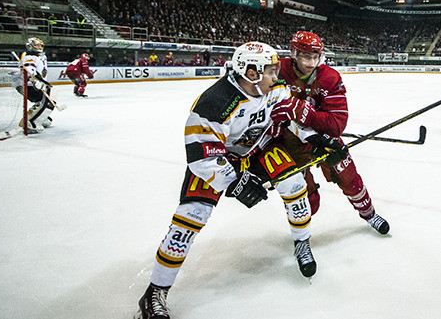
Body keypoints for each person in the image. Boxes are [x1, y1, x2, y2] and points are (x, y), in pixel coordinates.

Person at [136, 42, 348, 319]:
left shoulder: (274, 87)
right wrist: (234, 182)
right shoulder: (214, 104)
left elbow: (285, 117)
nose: (278, 75)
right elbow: (201, 156)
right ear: (250, 73)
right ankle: (155, 292)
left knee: (295, 186)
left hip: (258, 149)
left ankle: (301, 242)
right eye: (271, 70)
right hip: (218, 159)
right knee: (190, 217)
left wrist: (315, 139)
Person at [277, 31, 390, 235]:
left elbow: (337, 124)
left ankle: (369, 214)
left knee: (349, 178)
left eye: (315, 56)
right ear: (294, 53)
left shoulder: (329, 77)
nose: (311, 62)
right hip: (290, 142)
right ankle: (301, 230)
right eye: (305, 56)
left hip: (325, 139)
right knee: (307, 201)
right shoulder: (277, 69)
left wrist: (303, 113)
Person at [16, 37, 54, 130]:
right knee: (45, 102)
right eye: (37, 45)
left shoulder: (41, 56)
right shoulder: (29, 56)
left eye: (41, 45)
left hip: (36, 84)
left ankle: (40, 118)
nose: (40, 47)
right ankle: (29, 121)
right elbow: (29, 71)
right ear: (30, 46)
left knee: (44, 101)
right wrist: (35, 77)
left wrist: (42, 81)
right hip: (29, 85)